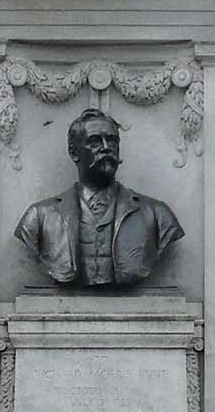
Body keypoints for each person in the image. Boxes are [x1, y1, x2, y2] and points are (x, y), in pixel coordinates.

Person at [13, 107, 185, 288]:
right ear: (73, 152)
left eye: (111, 141)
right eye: (94, 142)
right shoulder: (39, 216)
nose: (105, 148)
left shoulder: (157, 214)